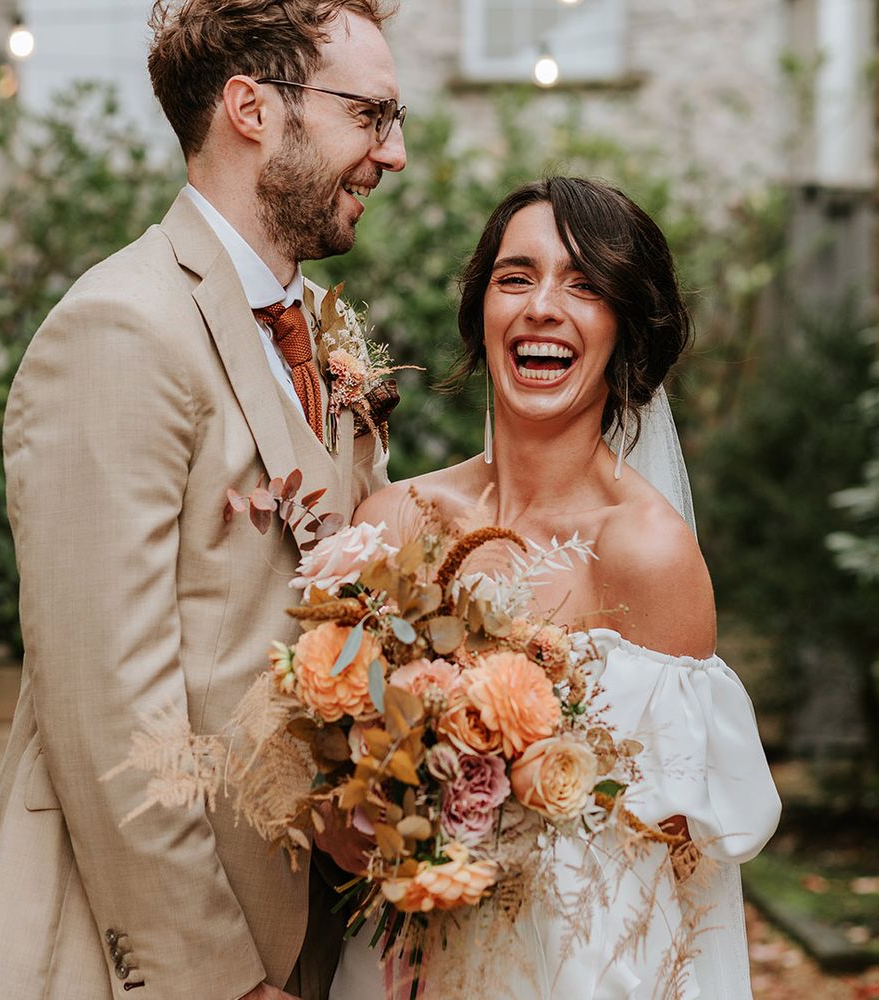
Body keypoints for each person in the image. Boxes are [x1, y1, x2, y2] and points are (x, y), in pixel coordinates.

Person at [0, 2, 405, 999]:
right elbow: (105, 703)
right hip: (152, 953)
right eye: (370, 115)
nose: (394, 153)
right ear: (251, 107)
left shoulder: (312, 334)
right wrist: (217, 979)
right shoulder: (121, 328)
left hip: (318, 923)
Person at [328, 178, 781, 999]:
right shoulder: (396, 518)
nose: (542, 306)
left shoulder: (647, 553)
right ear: (483, 314)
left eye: (584, 285)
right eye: (516, 277)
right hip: (395, 964)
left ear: (626, 331)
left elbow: (674, 880)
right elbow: (331, 790)